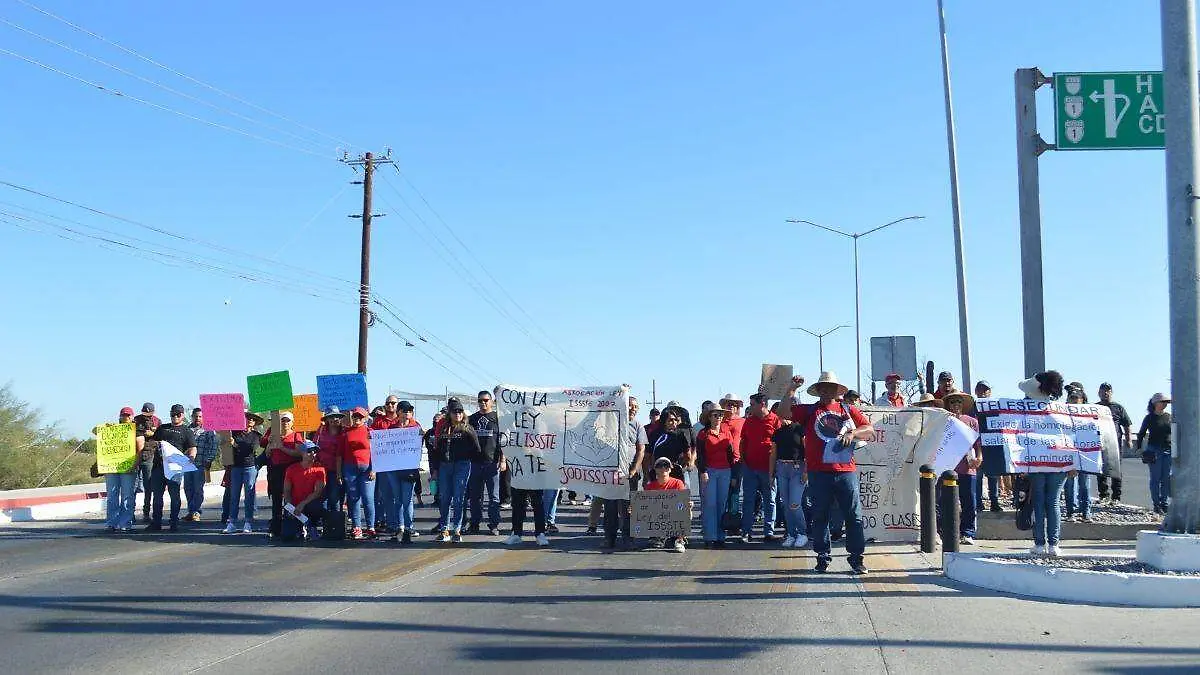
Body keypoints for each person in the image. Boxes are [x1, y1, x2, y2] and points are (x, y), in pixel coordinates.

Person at [778, 372, 874, 575]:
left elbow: (870, 430)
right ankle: (822, 557)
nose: (827, 390)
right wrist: (791, 389)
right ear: (819, 390)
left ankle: (857, 559)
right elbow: (783, 413)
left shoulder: (847, 409)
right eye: (824, 387)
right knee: (820, 516)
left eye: (831, 387)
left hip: (846, 471)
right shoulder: (809, 410)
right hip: (818, 473)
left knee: (853, 517)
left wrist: (852, 432)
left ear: (837, 390)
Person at [1018, 371, 1069, 557]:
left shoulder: (1025, 408)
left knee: (1038, 501)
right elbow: (1070, 436)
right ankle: (1054, 544)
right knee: (1053, 501)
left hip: (1036, 461)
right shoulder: (1060, 409)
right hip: (1059, 461)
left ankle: (1039, 544)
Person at [435, 400, 480, 543]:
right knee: (445, 498)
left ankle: (457, 529)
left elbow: (477, 448)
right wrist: (435, 469)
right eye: (455, 411)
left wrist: (465, 457)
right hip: (445, 465)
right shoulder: (442, 427)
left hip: (462, 465)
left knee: (459, 497)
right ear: (450, 413)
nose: (458, 414)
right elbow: (436, 448)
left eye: (460, 411)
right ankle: (444, 529)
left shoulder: (467, 428)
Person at [147, 404, 197, 533]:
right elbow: (152, 442)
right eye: (172, 414)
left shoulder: (187, 431)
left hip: (175, 469)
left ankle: (174, 522)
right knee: (157, 496)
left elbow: (192, 447)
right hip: (159, 467)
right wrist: (155, 444)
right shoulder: (162, 428)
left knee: (174, 496)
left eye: (178, 414)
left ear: (182, 415)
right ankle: (156, 522)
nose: (175, 416)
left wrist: (191, 457)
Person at [739, 392, 781, 544]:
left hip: (768, 469)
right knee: (748, 500)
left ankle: (768, 532)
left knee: (770, 500)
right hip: (750, 468)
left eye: (752, 404)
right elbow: (743, 442)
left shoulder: (775, 420)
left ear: (762, 404)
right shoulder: (749, 421)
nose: (750, 407)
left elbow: (780, 444)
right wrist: (744, 461)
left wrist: (775, 468)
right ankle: (746, 532)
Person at [260, 410, 308, 539]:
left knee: (291, 500)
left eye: (288, 420)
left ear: (292, 423)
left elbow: (298, 453)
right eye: (283, 420)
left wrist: (282, 447)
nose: (285, 423)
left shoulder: (296, 435)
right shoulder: (273, 434)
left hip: (290, 470)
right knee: (276, 500)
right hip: (275, 471)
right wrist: (270, 445)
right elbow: (266, 452)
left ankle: (295, 527)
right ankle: (276, 528)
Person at [943, 392, 982, 545]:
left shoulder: (972, 421)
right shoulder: (945, 421)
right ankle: (948, 531)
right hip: (949, 468)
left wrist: (979, 458)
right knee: (947, 502)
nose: (956, 405)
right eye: (952, 402)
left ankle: (968, 532)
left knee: (969, 502)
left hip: (968, 468)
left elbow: (978, 444)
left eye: (959, 402)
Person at [95, 406, 140, 532]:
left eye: (128, 415)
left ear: (132, 417)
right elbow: (95, 431)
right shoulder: (111, 429)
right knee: (112, 496)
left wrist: (134, 465)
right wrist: (105, 427)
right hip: (111, 467)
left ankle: (125, 522)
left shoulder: (136, 430)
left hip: (128, 469)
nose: (126, 417)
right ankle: (111, 522)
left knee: (127, 496)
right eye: (123, 415)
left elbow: (139, 449)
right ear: (120, 416)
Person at [696, 405, 734, 548]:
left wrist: (733, 472)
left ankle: (720, 536)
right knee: (709, 504)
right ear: (709, 417)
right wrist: (703, 471)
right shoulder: (703, 434)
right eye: (715, 415)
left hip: (725, 470)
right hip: (709, 471)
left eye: (720, 415)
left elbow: (730, 453)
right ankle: (709, 536)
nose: (718, 418)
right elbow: (700, 455)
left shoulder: (726, 432)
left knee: (721, 504)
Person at [386, 401, 423, 544]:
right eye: (405, 410)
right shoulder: (392, 428)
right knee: (398, 499)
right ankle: (399, 527)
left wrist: (421, 436)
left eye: (410, 411)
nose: (407, 413)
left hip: (409, 469)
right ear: (399, 412)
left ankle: (408, 527)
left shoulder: (415, 427)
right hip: (394, 468)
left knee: (407, 500)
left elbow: (419, 445)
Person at [772, 409, 808, 549]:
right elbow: (773, 454)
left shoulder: (799, 429)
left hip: (797, 468)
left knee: (794, 503)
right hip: (781, 467)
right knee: (785, 504)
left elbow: (808, 449)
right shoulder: (778, 432)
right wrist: (771, 474)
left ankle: (802, 533)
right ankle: (791, 534)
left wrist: (806, 470)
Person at [467, 391, 502, 536]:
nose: (483, 403)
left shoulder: (498, 418)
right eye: (480, 400)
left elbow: (503, 440)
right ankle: (475, 523)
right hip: (475, 463)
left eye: (486, 400)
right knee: (475, 496)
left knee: (494, 497)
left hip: (492, 463)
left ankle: (494, 524)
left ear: (492, 401)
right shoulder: (471, 419)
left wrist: (503, 459)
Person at [222, 411, 263, 534]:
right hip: (236, 467)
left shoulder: (256, 436)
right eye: (247, 418)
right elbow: (225, 446)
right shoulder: (233, 433)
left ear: (254, 422)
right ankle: (232, 522)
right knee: (234, 496)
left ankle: (248, 522)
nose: (249, 420)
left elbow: (250, 449)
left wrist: (235, 444)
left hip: (250, 467)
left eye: (252, 419)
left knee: (249, 495)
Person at [370, 396, 404, 535]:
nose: (390, 405)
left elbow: (415, 430)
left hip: (400, 465)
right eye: (388, 403)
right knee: (387, 496)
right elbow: (369, 435)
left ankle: (402, 524)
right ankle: (391, 524)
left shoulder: (402, 419)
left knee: (400, 496)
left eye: (393, 403)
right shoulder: (379, 422)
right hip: (384, 464)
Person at [342, 407, 376, 539]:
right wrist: (340, 472)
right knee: (353, 498)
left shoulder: (370, 432)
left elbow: (376, 452)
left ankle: (370, 526)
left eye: (360, 417)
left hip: (367, 468)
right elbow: (340, 454)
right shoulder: (346, 433)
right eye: (355, 416)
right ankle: (357, 527)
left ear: (365, 418)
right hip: (350, 468)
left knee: (368, 498)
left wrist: (374, 469)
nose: (357, 419)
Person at [1095, 383, 1132, 504]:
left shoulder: (1118, 407)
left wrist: (1129, 439)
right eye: (1102, 391)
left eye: (1107, 391)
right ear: (1098, 393)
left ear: (1111, 392)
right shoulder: (1094, 407)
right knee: (1100, 468)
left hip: (1115, 443)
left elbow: (1127, 424)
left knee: (1116, 469)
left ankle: (1116, 496)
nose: (1105, 393)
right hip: (1099, 442)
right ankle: (1103, 495)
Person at [644, 456, 691, 552]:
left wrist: (688, 504)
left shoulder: (678, 483)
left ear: (670, 469)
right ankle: (657, 536)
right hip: (658, 515)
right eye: (659, 466)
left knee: (685, 509)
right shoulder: (650, 486)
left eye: (666, 466)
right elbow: (644, 505)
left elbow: (682, 500)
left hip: (673, 514)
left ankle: (680, 539)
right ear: (655, 469)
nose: (663, 468)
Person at [1138, 393, 1173, 514]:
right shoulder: (1149, 418)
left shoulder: (1169, 417)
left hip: (1168, 450)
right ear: (1155, 403)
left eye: (1166, 402)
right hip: (1154, 450)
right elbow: (1141, 433)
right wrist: (1139, 448)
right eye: (1162, 402)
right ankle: (1156, 504)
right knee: (1155, 478)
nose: (1165, 404)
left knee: (1166, 478)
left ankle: (1164, 503)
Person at [282, 447, 327, 541]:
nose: (313, 454)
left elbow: (318, 492)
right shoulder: (291, 469)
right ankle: (300, 527)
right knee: (288, 535)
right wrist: (290, 506)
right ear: (302, 453)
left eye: (315, 451)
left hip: (309, 503)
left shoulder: (320, 468)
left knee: (320, 506)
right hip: (295, 504)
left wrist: (302, 504)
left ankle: (312, 526)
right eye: (309, 451)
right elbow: (286, 491)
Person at [1062, 384, 1093, 522]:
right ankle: (1071, 512)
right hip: (1069, 453)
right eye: (1072, 398)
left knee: (1085, 484)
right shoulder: (1062, 414)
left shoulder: (1090, 415)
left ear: (1082, 400)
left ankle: (1086, 512)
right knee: (1069, 484)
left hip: (1085, 454)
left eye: (1077, 399)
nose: (1074, 401)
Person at [184, 408, 218, 522]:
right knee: (188, 489)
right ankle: (191, 511)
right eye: (196, 416)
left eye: (200, 416)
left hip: (200, 464)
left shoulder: (208, 430)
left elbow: (213, 446)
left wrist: (208, 460)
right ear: (192, 417)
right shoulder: (187, 429)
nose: (198, 418)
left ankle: (196, 511)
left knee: (198, 489)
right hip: (188, 464)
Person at [315, 407, 346, 516]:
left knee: (335, 496)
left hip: (338, 469)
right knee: (322, 495)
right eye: (331, 417)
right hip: (321, 468)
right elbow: (315, 446)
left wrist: (339, 474)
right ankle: (325, 521)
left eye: (336, 416)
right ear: (327, 419)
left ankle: (336, 521)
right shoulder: (321, 430)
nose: (334, 419)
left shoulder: (344, 431)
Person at [134, 402, 160, 524]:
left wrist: (154, 433)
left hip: (148, 456)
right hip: (134, 456)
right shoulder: (135, 421)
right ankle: (130, 512)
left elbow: (161, 438)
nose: (146, 416)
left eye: (149, 413)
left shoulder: (157, 421)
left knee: (148, 486)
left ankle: (146, 512)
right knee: (133, 486)